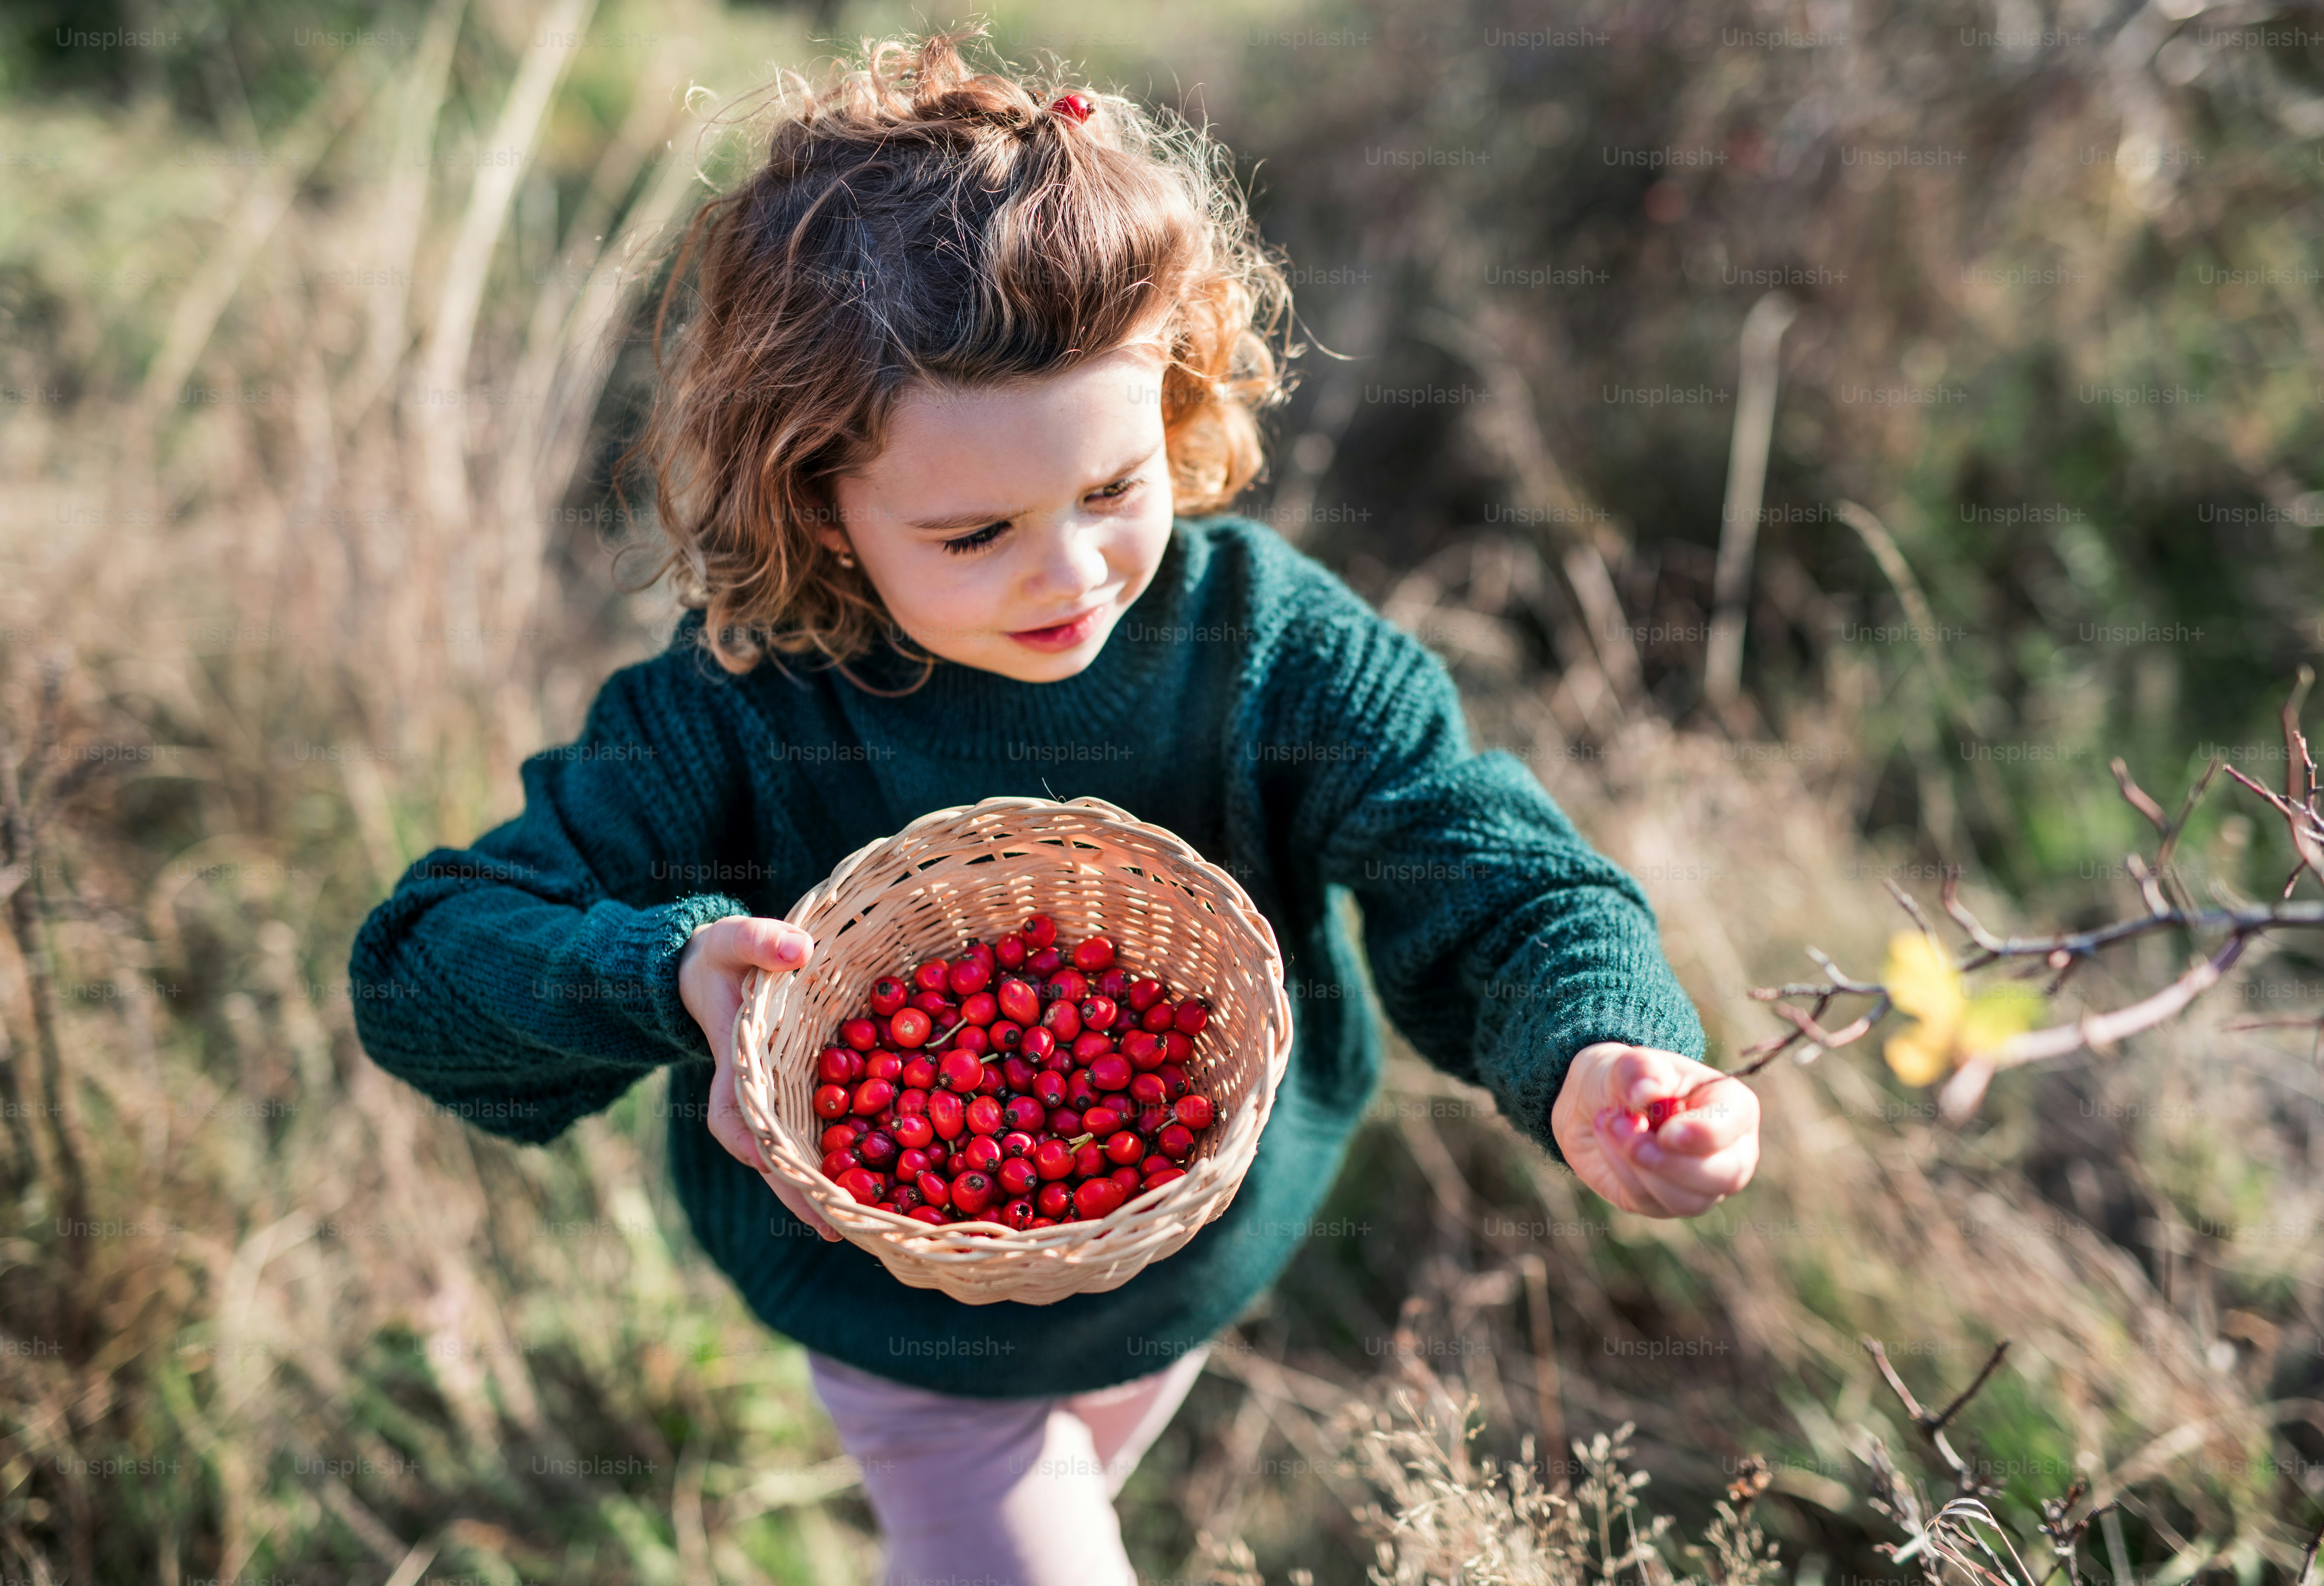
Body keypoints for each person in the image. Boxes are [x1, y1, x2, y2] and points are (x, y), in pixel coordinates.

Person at [346, 26, 1761, 1585]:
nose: (1072, 572)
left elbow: (1485, 865)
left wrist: (1598, 1050)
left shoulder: (1268, 647)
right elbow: (425, 963)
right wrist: (665, 973)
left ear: (1179, 400)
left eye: (1114, 488)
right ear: (816, 497)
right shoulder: (739, 707)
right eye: (973, 534)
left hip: (1180, 1271)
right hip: (902, 1336)